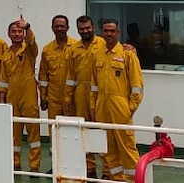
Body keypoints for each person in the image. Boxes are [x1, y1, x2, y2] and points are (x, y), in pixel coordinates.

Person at [91, 19, 144, 183]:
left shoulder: (128, 54)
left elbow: (137, 87)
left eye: (112, 31)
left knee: (127, 148)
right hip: (102, 108)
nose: (109, 34)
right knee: (108, 150)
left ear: (118, 33)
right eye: (106, 31)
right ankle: (116, 179)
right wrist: (93, 107)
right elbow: (94, 86)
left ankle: (133, 179)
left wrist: (129, 109)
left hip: (121, 109)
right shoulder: (98, 54)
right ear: (101, 33)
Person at [64, 15, 105, 178]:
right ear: (78, 30)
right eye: (82, 29)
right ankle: (90, 168)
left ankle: (107, 170)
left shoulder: (102, 44)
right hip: (80, 94)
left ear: (93, 27)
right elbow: (70, 76)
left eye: (87, 28)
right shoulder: (74, 49)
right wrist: (68, 98)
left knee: (101, 131)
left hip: (99, 94)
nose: (85, 31)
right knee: (84, 132)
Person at [0, 17, 41, 173]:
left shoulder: (29, 50)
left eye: (19, 31)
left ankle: (34, 166)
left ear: (23, 34)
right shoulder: (6, 54)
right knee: (14, 134)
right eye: (13, 31)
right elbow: (3, 80)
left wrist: (28, 27)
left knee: (33, 134)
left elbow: (32, 42)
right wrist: (3, 101)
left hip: (28, 97)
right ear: (9, 34)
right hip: (12, 98)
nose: (17, 34)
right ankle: (15, 163)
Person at [38, 15, 75, 119]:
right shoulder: (47, 49)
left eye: (62, 26)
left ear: (67, 28)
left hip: (72, 98)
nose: (59, 29)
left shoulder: (76, 47)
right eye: (56, 26)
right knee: (54, 128)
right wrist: (43, 97)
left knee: (71, 129)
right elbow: (43, 76)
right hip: (53, 99)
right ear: (52, 28)